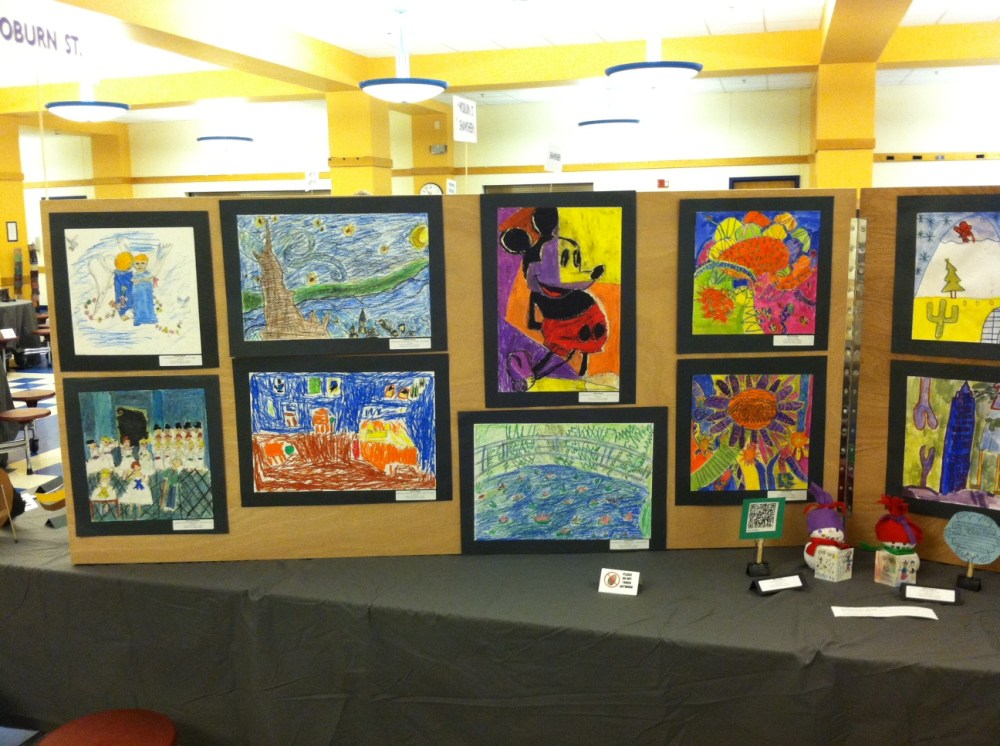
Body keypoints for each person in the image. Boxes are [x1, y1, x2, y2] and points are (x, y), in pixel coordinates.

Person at [130, 253, 157, 326]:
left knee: (147, 305)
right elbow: (133, 281)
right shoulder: (135, 274)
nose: (140, 265)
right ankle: (138, 319)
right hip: (138, 294)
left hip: (146, 293)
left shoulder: (147, 273)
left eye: (142, 263)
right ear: (133, 265)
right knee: (138, 305)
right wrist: (136, 281)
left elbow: (150, 278)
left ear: (146, 263)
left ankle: (149, 319)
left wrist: (142, 280)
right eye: (137, 263)